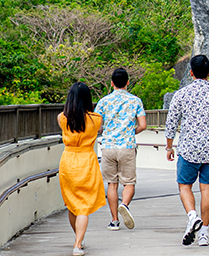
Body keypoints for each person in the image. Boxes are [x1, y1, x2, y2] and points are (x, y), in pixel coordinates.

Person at [165, 55, 209, 247]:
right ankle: (204, 234)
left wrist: (169, 147)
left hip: (188, 149)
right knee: (206, 188)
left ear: (191, 73)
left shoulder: (181, 95)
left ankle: (192, 216)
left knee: (184, 185)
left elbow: (171, 124)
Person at [95, 67, 147, 231]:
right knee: (129, 183)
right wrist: (131, 133)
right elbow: (143, 125)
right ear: (127, 82)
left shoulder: (104, 101)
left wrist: (105, 133)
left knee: (112, 184)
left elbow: (97, 126)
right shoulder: (135, 101)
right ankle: (124, 204)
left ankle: (114, 221)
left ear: (111, 83)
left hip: (109, 147)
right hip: (127, 147)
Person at [58, 82, 105, 256]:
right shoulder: (96, 119)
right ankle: (78, 243)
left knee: (72, 205)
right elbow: (98, 131)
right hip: (87, 161)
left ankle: (78, 238)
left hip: (68, 161)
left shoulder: (62, 118)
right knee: (83, 206)